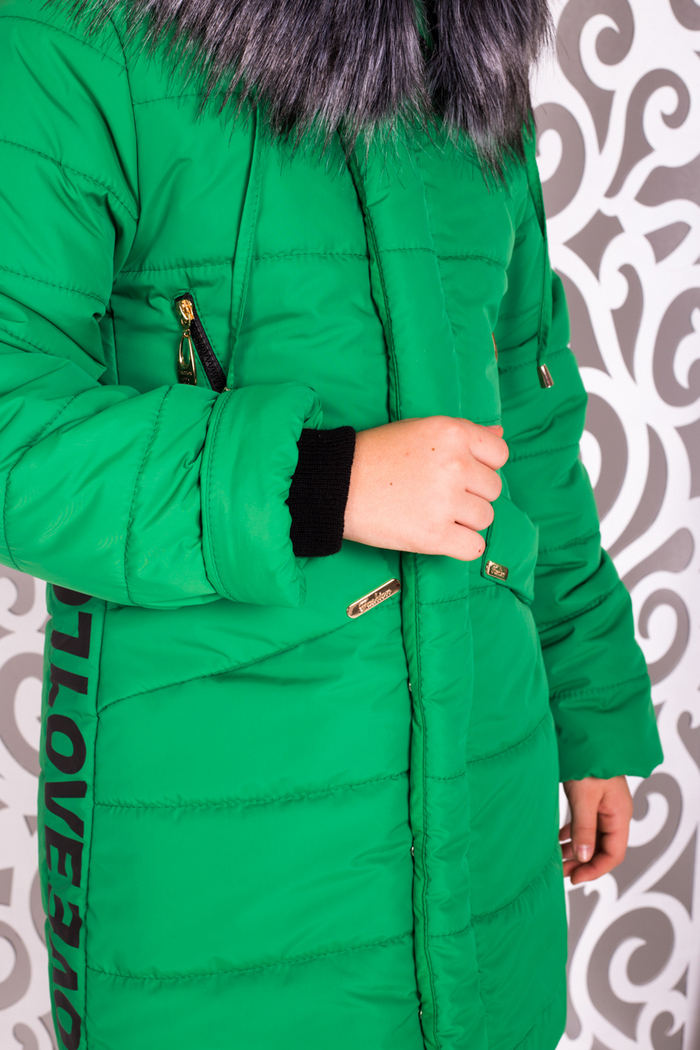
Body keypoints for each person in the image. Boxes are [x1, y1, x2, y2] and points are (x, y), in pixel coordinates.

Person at [0, 0, 663, 1047]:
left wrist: (589, 710)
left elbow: (528, 422)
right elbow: (14, 432)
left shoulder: (468, 54)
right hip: (223, 859)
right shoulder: (79, 32)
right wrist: (320, 483)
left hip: (490, 819)